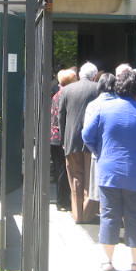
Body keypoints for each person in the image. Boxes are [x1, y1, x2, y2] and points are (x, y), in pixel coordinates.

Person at [82, 69, 136, 271]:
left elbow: (87, 135)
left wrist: (101, 151)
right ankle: (135, 262)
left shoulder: (103, 109)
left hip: (108, 169)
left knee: (109, 215)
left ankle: (108, 261)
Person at [59, 61, 99, 223]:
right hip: (92, 141)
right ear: (94, 75)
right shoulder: (98, 89)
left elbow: (61, 116)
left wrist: (63, 139)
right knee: (91, 178)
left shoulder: (67, 90)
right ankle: (88, 212)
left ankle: (77, 215)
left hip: (71, 139)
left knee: (75, 177)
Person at [83, 73, 116, 207]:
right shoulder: (122, 103)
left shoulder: (93, 105)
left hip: (99, 153)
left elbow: (87, 133)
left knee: (103, 196)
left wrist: (95, 150)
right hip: (116, 152)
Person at [50, 68, 78, 211]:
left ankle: (62, 201)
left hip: (54, 137)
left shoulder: (57, 94)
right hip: (61, 138)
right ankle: (62, 202)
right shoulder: (64, 95)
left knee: (60, 169)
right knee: (63, 170)